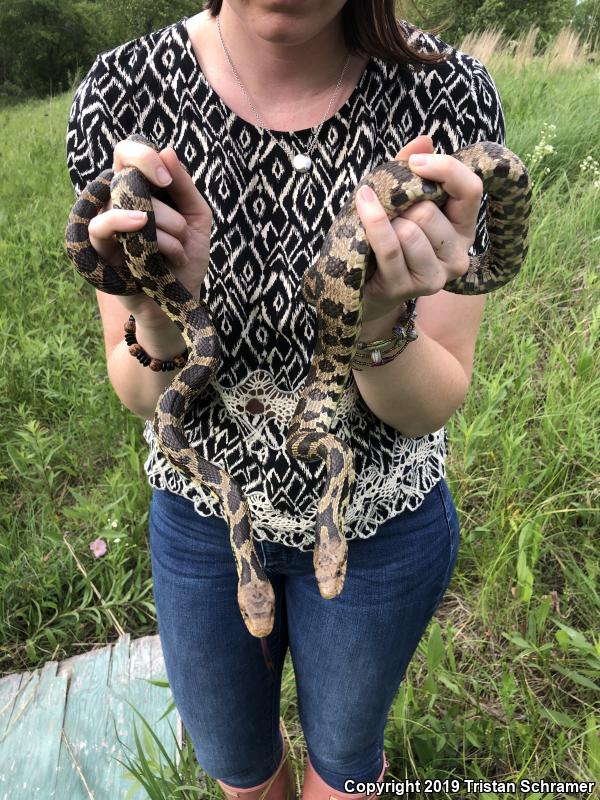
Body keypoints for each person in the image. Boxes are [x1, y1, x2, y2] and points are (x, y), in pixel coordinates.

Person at [66, 1, 506, 797]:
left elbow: (433, 399)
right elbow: (141, 391)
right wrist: (160, 306)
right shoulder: (122, 92)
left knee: (343, 765)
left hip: (381, 527)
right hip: (205, 534)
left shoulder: (448, 93)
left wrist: (375, 321)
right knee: (239, 769)